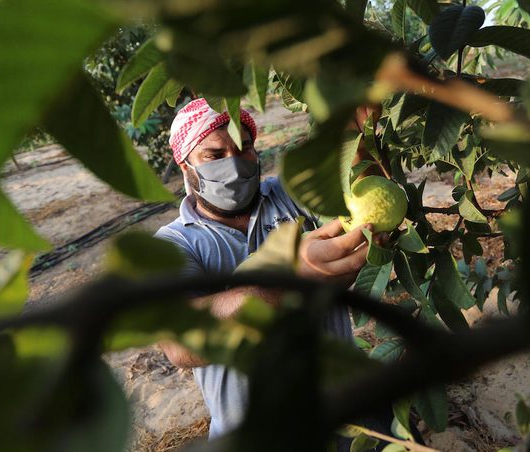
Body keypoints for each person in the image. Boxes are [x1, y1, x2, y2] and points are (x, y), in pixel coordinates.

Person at [153, 98, 393, 447]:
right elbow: (180, 343)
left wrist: (354, 134)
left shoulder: (294, 194)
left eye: (245, 148)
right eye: (214, 155)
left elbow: (361, 195)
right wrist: (288, 282)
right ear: (185, 165)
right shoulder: (173, 244)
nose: (234, 163)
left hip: (348, 421)